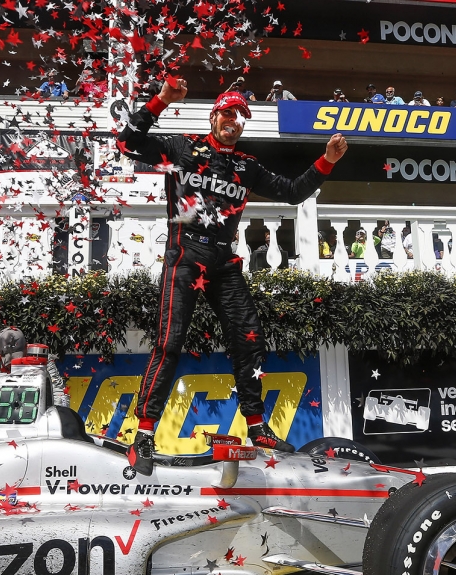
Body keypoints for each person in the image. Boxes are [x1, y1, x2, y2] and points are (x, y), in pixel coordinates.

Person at [117, 83, 348, 475]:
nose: (234, 121)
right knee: (169, 342)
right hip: (185, 256)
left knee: (249, 340)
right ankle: (143, 432)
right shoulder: (182, 148)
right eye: (228, 113)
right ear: (214, 116)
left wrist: (326, 160)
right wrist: (162, 100)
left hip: (224, 262)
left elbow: (292, 192)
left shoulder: (246, 166)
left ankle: (256, 427)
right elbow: (127, 142)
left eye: (241, 116)